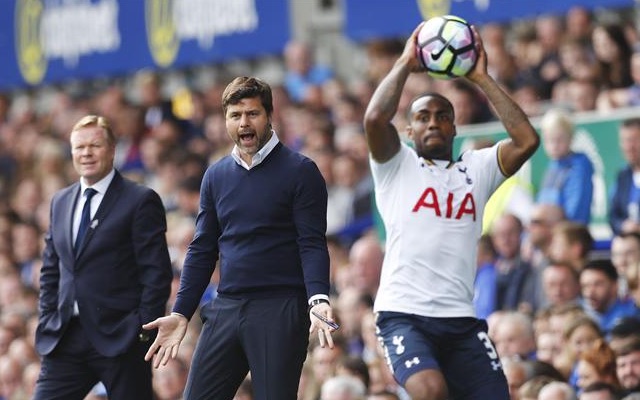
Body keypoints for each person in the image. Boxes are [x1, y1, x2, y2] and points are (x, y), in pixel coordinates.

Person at [362, 19, 540, 400]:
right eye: (422, 117)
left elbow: (526, 140)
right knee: (430, 392)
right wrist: (405, 65)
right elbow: (375, 119)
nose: (433, 123)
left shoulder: (477, 168)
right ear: (408, 132)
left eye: (442, 116)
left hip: (461, 320)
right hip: (403, 315)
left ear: (455, 128)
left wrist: (481, 78)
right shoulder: (396, 166)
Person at [142, 76, 336, 399]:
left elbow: (312, 242)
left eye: (252, 114)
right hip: (227, 306)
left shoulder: (301, 171)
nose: (244, 122)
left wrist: (318, 297)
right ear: (226, 120)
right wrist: (181, 313)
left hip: (281, 307)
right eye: (235, 115)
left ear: (269, 116)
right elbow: (202, 249)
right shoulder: (215, 176)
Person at [33, 115, 173, 399]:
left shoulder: (139, 200)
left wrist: (141, 330)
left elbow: (156, 273)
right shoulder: (60, 201)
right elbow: (51, 268)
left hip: (121, 338)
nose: (86, 153)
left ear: (112, 150)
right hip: (65, 337)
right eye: (79, 147)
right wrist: (48, 315)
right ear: (71, 153)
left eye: (95, 145)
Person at [536, 108, 594, 225]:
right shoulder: (552, 167)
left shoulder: (579, 168)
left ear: (571, 138)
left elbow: (576, 210)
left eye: (559, 139)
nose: (554, 145)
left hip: (570, 233)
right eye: (549, 140)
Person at [610, 118, 640, 235]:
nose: (629, 147)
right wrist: (623, 225)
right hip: (629, 243)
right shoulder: (623, 175)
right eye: (624, 141)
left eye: (634, 140)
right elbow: (613, 217)